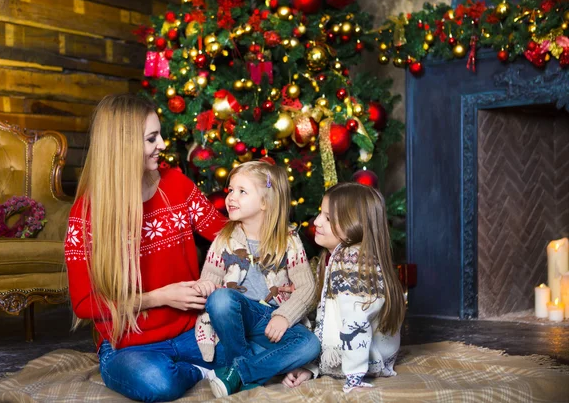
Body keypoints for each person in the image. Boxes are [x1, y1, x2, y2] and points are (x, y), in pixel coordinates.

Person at [64, 94, 228, 402]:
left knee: (259, 343)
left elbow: (224, 234)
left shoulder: (177, 185)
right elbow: (85, 304)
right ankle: (204, 371)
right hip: (128, 345)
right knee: (156, 382)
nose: (163, 144)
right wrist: (160, 297)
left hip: (193, 333)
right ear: (123, 146)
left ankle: (202, 364)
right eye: (152, 138)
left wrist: (261, 214)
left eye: (160, 135)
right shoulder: (87, 214)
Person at [192, 160, 320, 397]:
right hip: (235, 323)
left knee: (310, 344)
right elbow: (208, 278)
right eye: (230, 190)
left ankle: (238, 373)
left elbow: (307, 288)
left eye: (242, 191)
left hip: (269, 322)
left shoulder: (288, 240)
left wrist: (284, 316)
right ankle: (253, 367)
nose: (231, 197)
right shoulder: (225, 239)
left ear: (264, 202)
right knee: (220, 300)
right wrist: (205, 286)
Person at [282, 182, 406, 393]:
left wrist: (354, 377)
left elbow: (355, 321)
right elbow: (329, 324)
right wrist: (311, 369)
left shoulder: (351, 260)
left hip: (362, 360)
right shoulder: (341, 257)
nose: (317, 221)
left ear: (355, 225)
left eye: (328, 218)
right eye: (321, 213)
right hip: (362, 358)